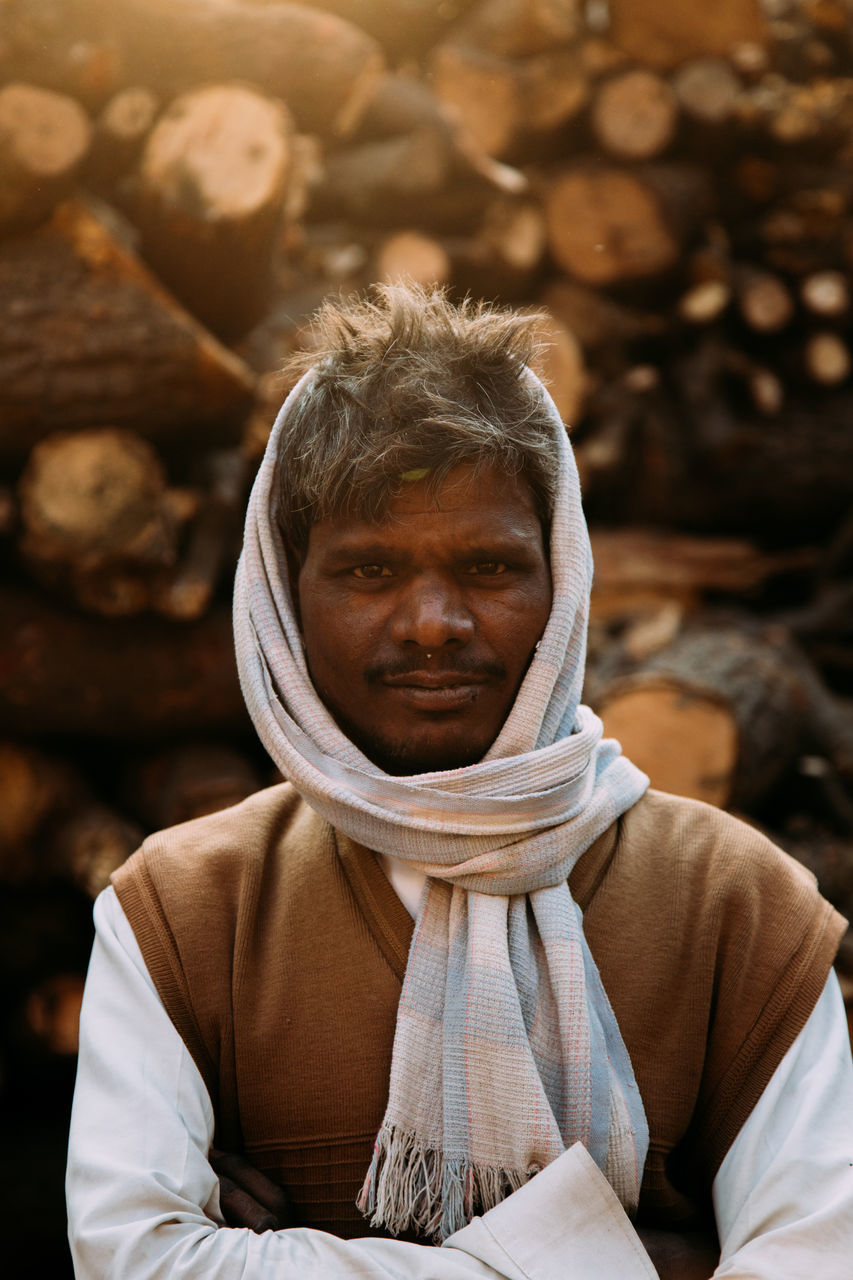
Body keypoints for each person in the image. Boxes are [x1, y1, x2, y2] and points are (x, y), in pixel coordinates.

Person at [67, 285, 853, 1279]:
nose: (432, 619)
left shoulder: (738, 904)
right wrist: (610, 1265)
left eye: (487, 566)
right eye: (366, 571)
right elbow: (133, 1260)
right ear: (283, 591)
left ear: (560, 579)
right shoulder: (181, 912)